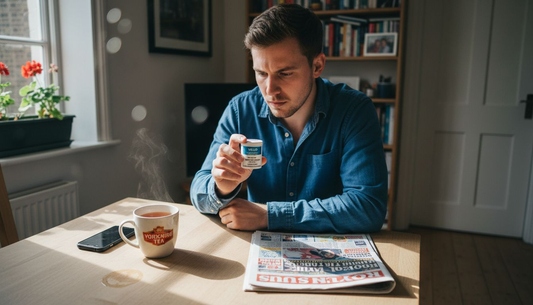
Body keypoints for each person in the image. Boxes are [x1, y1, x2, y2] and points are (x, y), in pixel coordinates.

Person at [190, 4, 387, 233]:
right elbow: (200, 186)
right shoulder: (239, 109)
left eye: (284, 73)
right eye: (261, 73)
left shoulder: (354, 111)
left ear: (317, 65)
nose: (270, 90)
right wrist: (221, 187)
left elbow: (368, 207)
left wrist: (270, 216)